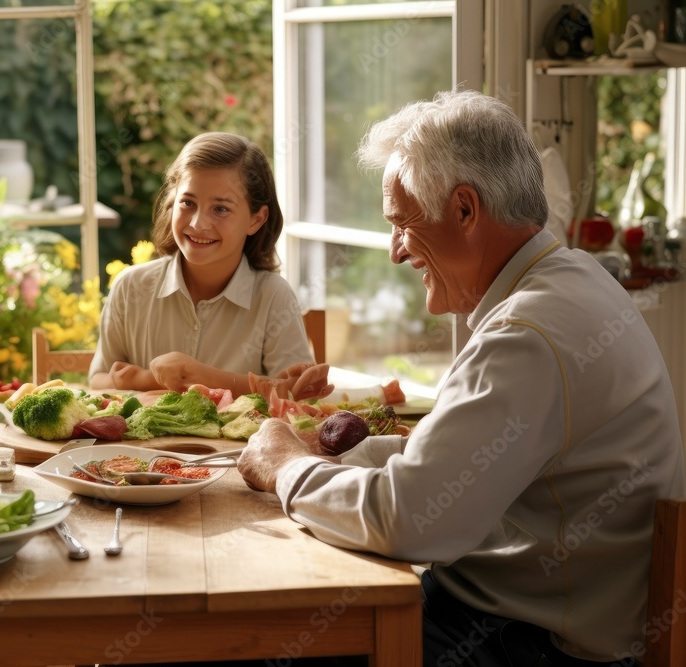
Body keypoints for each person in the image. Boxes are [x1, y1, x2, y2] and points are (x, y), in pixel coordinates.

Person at [237, 90, 685, 666]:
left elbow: (409, 521)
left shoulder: (527, 334)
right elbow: (455, 460)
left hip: (529, 644)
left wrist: (286, 469)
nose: (397, 252)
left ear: (466, 210)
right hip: (522, 619)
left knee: (261, 637)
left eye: (401, 223)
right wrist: (340, 460)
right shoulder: (571, 279)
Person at [89, 131, 331, 401]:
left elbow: (295, 396)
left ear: (256, 219)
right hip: (137, 445)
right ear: (172, 202)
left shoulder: (274, 297)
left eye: (221, 209)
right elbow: (98, 381)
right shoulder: (130, 287)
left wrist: (200, 376)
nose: (197, 224)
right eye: (188, 203)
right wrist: (149, 378)